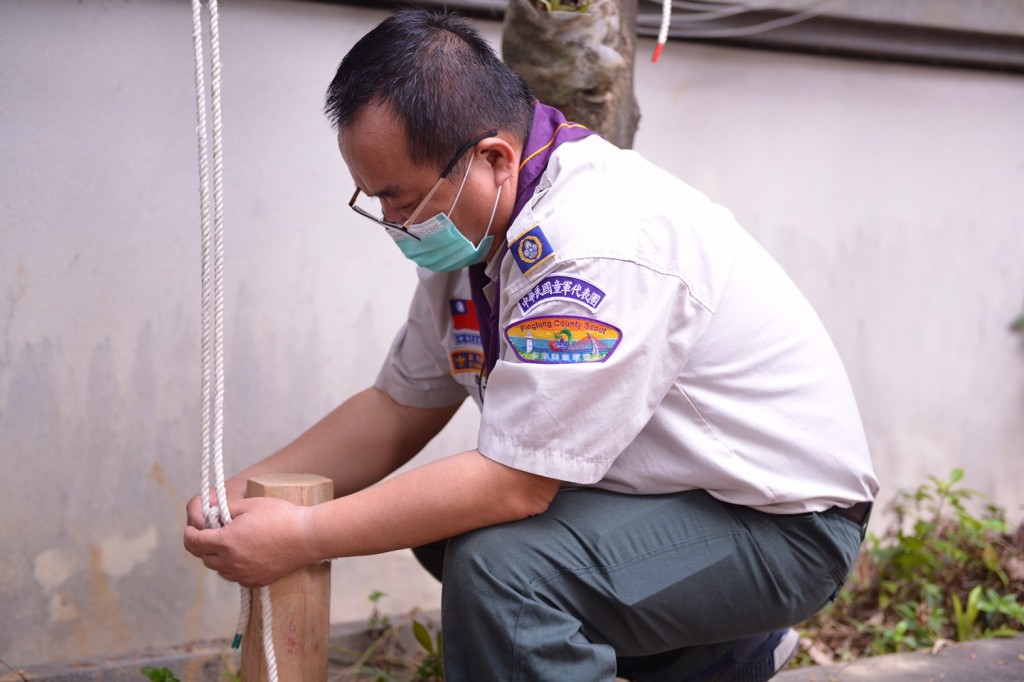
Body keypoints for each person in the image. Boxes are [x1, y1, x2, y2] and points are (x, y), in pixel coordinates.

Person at [184, 8, 879, 681]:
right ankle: (717, 658)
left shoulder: (599, 241)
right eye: (375, 201)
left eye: (402, 199)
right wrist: (239, 491)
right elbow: (398, 408)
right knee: (438, 527)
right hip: (679, 498)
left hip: (783, 526)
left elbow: (515, 486)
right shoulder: (474, 242)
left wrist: (299, 537)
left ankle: (725, 638)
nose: (394, 224)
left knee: (503, 568)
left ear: (492, 157)